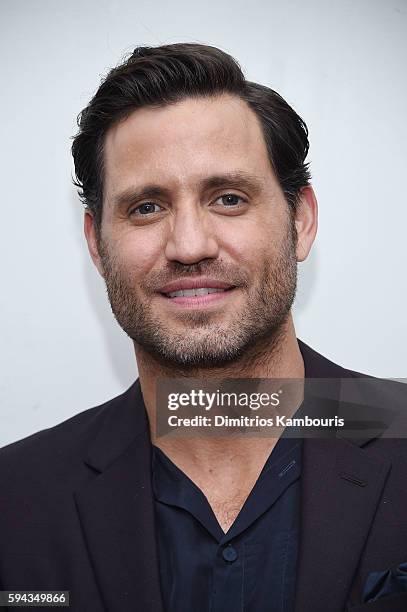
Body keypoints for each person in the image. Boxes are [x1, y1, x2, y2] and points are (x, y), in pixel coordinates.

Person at [0, 43, 406, 612]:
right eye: (146, 207)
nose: (189, 245)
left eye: (229, 198)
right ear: (96, 244)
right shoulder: (14, 499)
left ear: (301, 220)